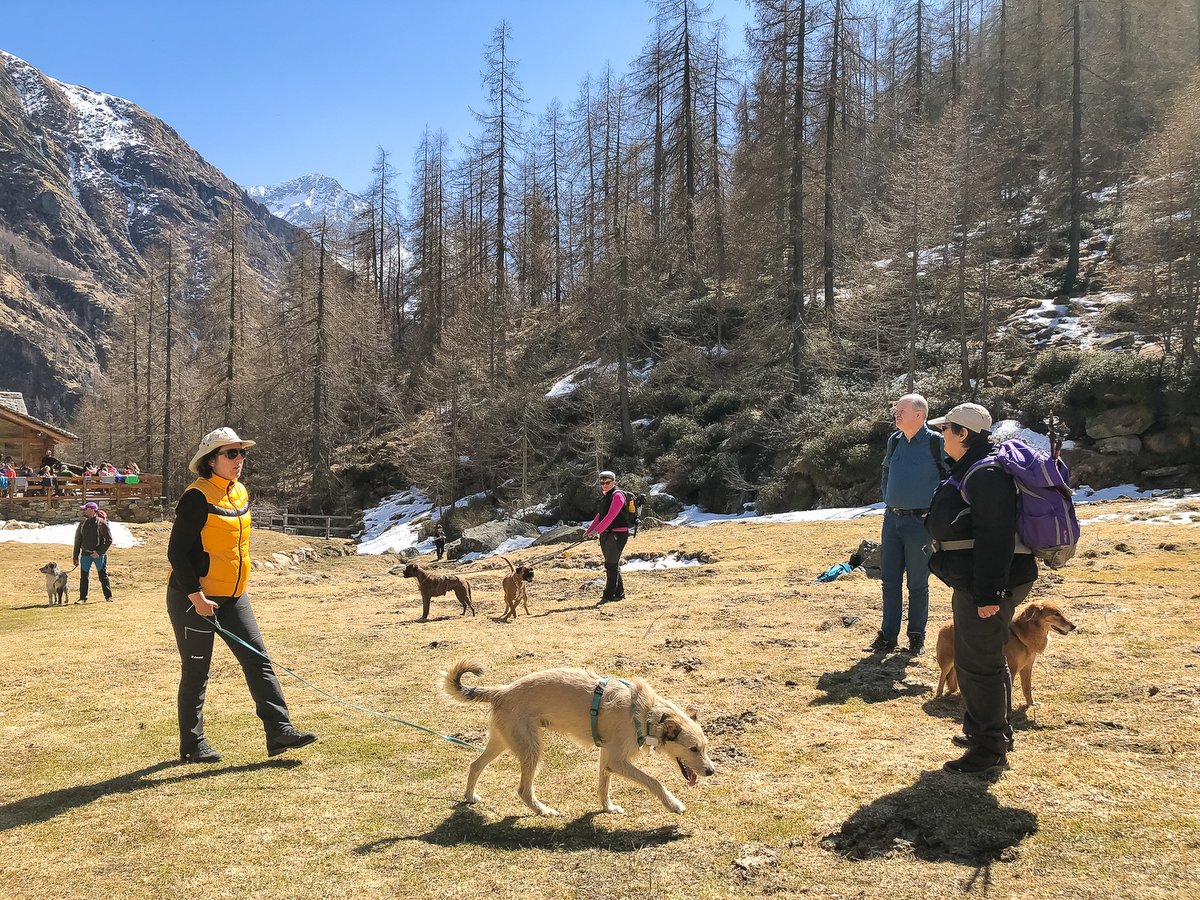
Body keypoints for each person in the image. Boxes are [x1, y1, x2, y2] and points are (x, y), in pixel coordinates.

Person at [166, 426, 317, 764]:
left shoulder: (239, 493)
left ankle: (279, 731)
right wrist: (196, 597)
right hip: (194, 598)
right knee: (197, 671)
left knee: (258, 660)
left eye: (242, 453)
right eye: (231, 453)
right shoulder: (196, 496)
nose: (240, 459)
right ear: (211, 460)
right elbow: (176, 552)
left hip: (234, 597)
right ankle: (192, 745)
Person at [925, 403, 1039, 775]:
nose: (942, 436)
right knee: (982, 657)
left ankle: (988, 749)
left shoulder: (986, 473)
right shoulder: (976, 468)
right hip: (981, 580)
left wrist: (988, 593)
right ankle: (987, 732)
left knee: (978, 663)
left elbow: (996, 534)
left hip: (989, 583)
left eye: (947, 430)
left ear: (964, 434)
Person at [868, 393, 948, 655]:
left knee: (917, 582)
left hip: (920, 523)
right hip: (892, 520)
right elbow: (885, 472)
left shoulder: (936, 443)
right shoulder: (894, 441)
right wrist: (888, 500)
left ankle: (916, 637)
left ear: (919, 415)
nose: (896, 413)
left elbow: (949, 480)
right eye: (896, 409)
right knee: (889, 580)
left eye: (902, 410)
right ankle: (888, 636)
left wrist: (935, 513)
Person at [583, 470, 631, 605]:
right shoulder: (606, 496)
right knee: (612, 564)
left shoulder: (617, 496)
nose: (604, 485)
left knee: (611, 565)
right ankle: (619, 593)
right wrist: (589, 530)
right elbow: (601, 516)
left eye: (607, 482)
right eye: (602, 482)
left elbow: (611, 516)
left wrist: (596, 531)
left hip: (617, 533)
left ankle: (608, 596)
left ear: (614, 482)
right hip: (607, 533)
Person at [73, 501, 114, 602]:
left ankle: (108, 596)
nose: (84, 511)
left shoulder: (101, 523)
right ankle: (83, 598)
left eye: (86, 509)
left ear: (92, 510)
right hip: (85, 554)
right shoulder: (82, 523)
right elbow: (77, 540)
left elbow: (109, 540)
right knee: (84, 577)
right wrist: (75, 556)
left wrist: (99, 552)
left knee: (103, 576)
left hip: (98, 555)